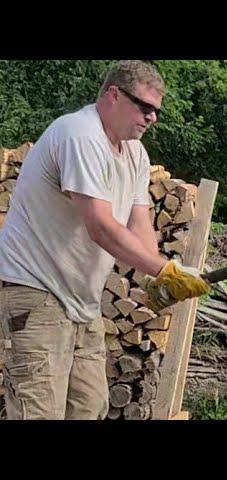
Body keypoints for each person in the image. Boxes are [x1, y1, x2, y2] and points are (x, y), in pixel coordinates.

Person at [0, 60, 209, 420]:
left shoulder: (135, 156)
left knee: (89, 408)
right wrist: (166, 268)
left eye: (156, 111)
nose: (152, 118)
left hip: (83, 301)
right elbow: (100, 225)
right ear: (113, 95)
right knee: (39, 411)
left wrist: (154, 277)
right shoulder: (79, 134)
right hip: (36, 292)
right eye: (144, 107)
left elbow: (139, 224)